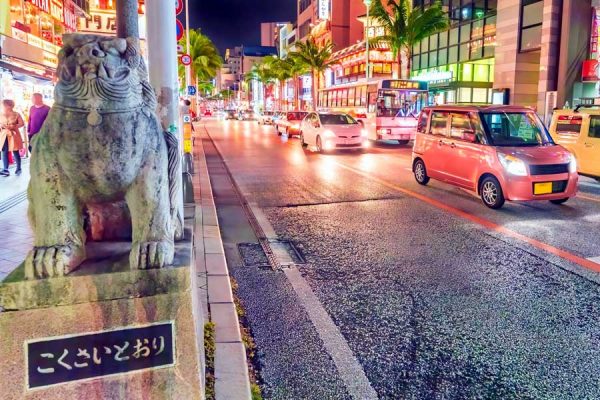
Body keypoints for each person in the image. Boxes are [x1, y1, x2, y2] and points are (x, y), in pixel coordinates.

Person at [0, 99, 25, 176]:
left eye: (3, 104)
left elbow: (22, 123)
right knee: (4, 152)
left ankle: (18, 168)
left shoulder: (16, 114)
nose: (2, 106)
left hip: (13, 135)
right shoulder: (1, 114)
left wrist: (13, 126)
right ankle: (5, 169)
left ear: (9, 106)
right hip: (3, 135)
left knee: (15, 151)